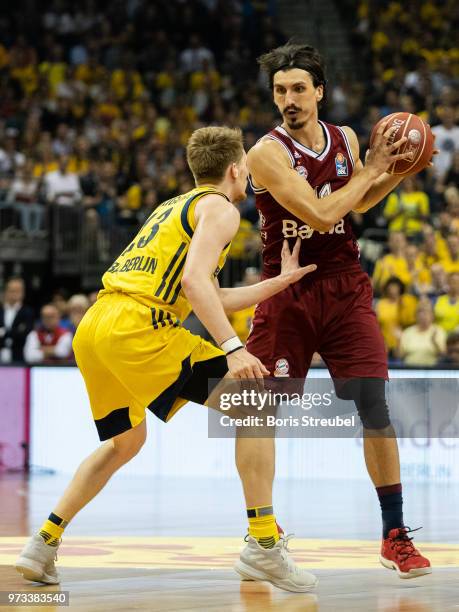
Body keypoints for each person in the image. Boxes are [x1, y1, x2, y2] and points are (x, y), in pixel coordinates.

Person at [15, 126, 318, 592]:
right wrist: (234, 349)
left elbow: (209, 291)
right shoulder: (220, 209)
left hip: (97, 326)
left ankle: (43, 544)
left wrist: (280, 282)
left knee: (125, 443)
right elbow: (198, 285)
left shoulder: (173, 206)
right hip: (140, 326)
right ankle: (263, 544)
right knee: (257, 405)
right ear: (236, 169)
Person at [245, 42, 432, 579]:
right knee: (258, 411)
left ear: (319, 92)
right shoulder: (267, 153)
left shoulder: (346, 138)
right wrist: (369, 170)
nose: (289, 99)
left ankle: (394, 533)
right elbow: (325, 213)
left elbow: (360, 203)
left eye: (299, 88)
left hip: (345, 284)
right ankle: (260, 534)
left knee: (374, 403)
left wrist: (395, 170)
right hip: (288, 289)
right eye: (280, 90)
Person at [399, 301, 446, 366]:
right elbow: (400, 356)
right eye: (420, 312)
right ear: (415, 315)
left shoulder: (438, 331)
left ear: (432, 315)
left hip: (432, 371)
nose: (423, 315)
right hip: (410, 371)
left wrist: (434, 342)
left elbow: (444, 355)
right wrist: (398, 341)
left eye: (427, 312)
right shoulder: (407, 332)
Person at [0, 277, 34, 363]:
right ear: (5, 292)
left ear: (23, 292)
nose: (15, 293)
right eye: (12, 290)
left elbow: (25, 333)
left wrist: (3, 332)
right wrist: (15, 331)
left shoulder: (28, 312)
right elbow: (18, 332)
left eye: (18, 290)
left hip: (20, 358)